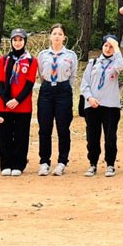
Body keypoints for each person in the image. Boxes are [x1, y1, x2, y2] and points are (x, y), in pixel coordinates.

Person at [36, 24, 78, 176]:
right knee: (44, 128)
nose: (57, 36)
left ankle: (62, 162)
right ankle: (44, 162)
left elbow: (73, 75)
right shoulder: (43, 55)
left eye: (60, 34)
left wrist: (64, 87)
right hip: (46, 91)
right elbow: (41, 73)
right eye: (54, 33)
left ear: (64, 37)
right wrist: (48, 85)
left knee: (63, 128)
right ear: (50, 36)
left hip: (63, 91)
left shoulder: (70, 55)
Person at [80, 35, 123, 177]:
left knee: (110, 136)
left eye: (111, 46)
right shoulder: (93, 62)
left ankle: (110, 164)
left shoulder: (116, 63)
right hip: (93, 104)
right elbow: (84, 83)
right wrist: (89, 97)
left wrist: (117, 48)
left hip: (110, 105)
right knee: (92, 136)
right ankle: (92, 164)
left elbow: (121, 66)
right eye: (106, 45)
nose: (108, 49)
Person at [0, 28, 37, 176]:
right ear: (11, 41)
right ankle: (6, 164)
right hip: (5, 105)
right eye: (15, 40)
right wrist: (7, 100)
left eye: (20, 40)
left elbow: (29, 83)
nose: (17, 43)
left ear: (25, 41)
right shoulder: (4, 59)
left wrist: (17, 100)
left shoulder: (31, 60)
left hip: (22, 105)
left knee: (21, 135)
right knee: (4, 135)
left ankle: (18, 164)